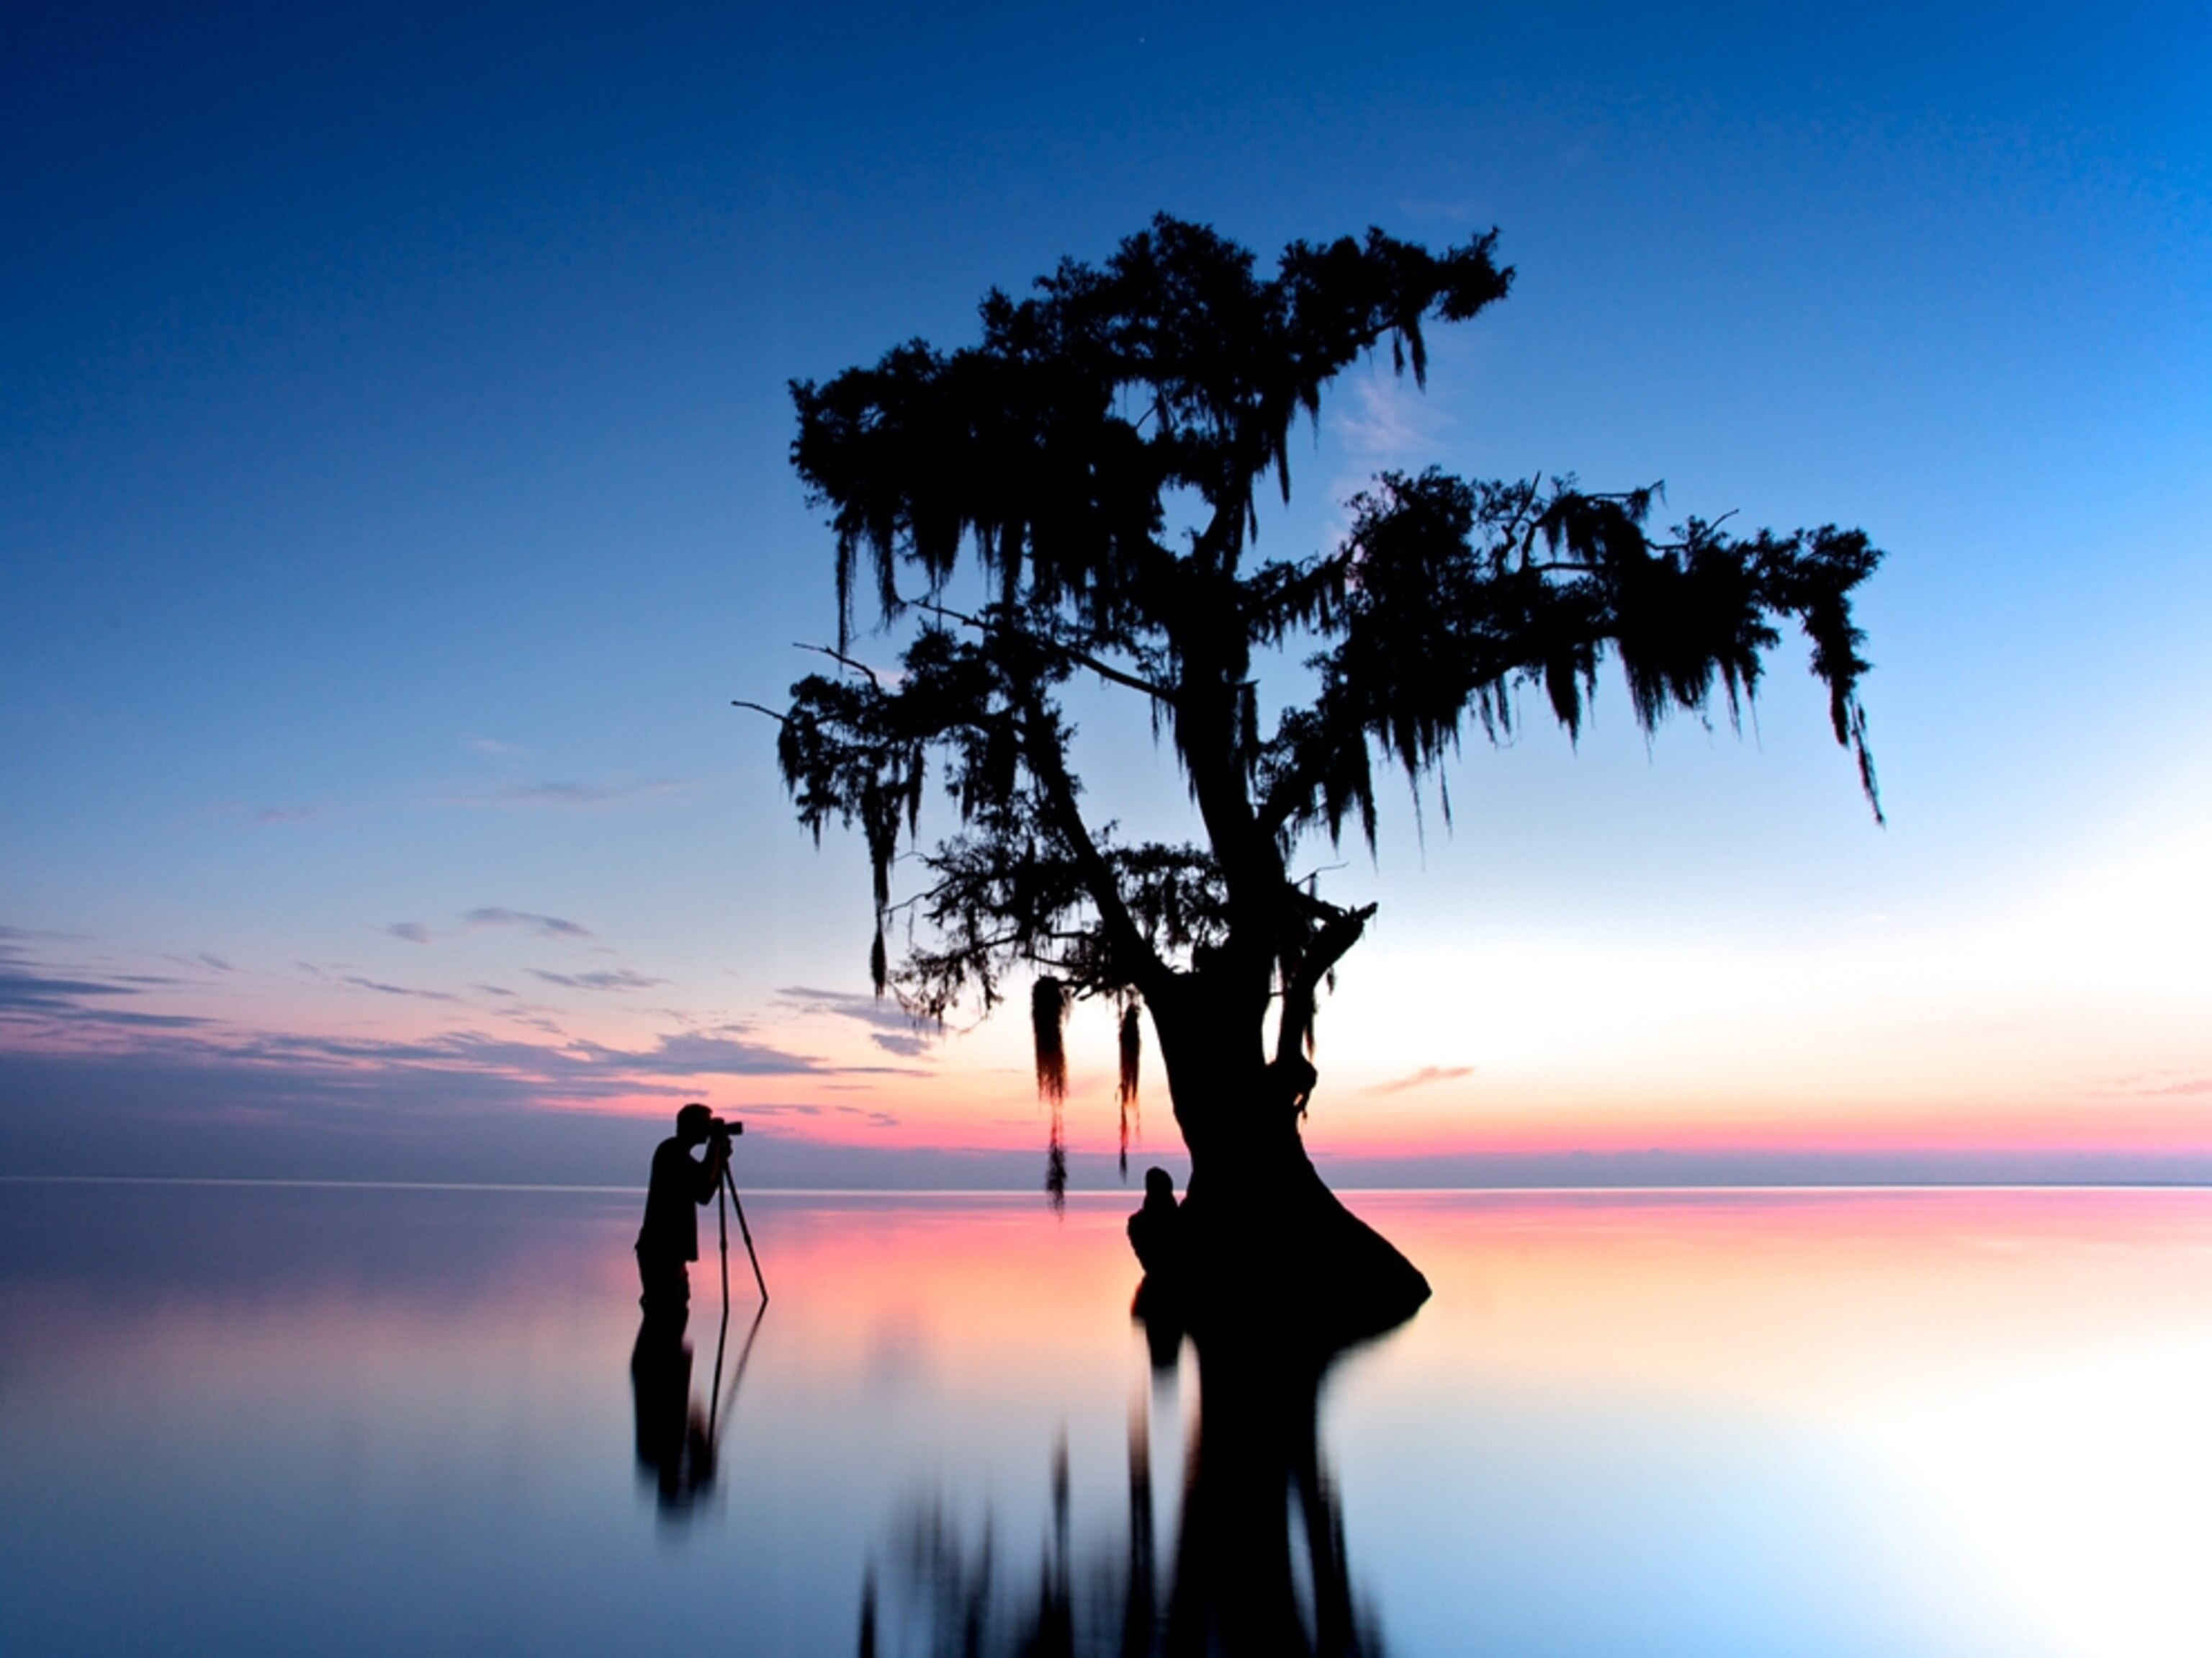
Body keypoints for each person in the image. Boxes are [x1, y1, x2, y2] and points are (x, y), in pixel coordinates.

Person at [635, 1102, 731, 1321]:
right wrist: (714, 1149)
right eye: (705, 1125)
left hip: (670, 1251)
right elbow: (702, 1182)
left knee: (677, 1308)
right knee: (665, 1310)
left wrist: (719, 1157)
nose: (708, 1132)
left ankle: (670, 1353)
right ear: (692, 1127)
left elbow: (704, 1193)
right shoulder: (671, 1153)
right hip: (661, 1250)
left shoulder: (677, 1154)